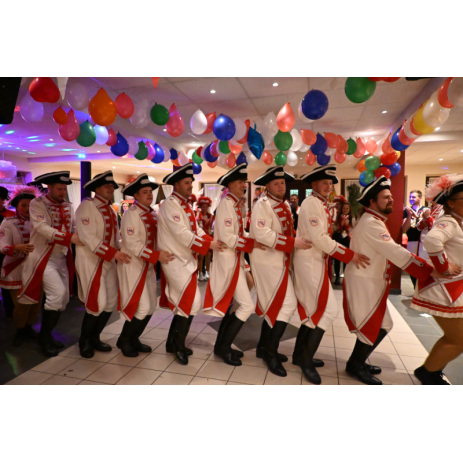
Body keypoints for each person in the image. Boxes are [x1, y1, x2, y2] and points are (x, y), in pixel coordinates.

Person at [343, 176, 440, 385]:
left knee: (379, 325)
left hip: (370, 280)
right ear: (372, 201)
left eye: (391, 196)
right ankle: (355, 364)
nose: (391, 200)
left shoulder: (374, 220)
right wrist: (429, 270)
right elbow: (395, 252)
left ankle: (355, 362)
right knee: (375, 325)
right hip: (364, 281)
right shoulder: (371, 223)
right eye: (385, 197)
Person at [293, 165, 370, 384]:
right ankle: (305, 360)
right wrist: (348, 255)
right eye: (324, 183)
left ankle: (300, 355)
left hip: (315, 261)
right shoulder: (311, 204)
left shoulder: (320, 204)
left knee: (313, 309)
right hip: (308, 262)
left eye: (330, 183)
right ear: (314, 184)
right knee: (327, 311)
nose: (328, 187)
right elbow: (319, 238)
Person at [158, 165, 226, 365]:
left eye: (191, 183)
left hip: (186, 260)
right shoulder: (170, 204)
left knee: (185, 303)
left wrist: (210, 240)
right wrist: (208, 245)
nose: (190, 186)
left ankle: (172, 344)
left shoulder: (186, 205)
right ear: (176, 184)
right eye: (186, 183)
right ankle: (177, 346)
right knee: (191, 302)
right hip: (174, 260)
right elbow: (182, 234)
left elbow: (196, 230)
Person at [249, 166, 312, 377]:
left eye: (282, 183)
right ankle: (270, 352)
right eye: (275, 184)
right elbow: (260, 233)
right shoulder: (262, 205)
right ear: (267, 186)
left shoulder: (284, 204)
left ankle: (263, 347)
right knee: (286, 305)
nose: (280, 187)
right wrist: (292, 242)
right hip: (266, 262)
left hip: (281, 261)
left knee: (274, 305)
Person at [203, 163, 262, 366]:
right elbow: (228, 237)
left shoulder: (236, 205)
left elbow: (238, 233)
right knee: (245, 306)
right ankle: (223, 347)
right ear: (230, 185)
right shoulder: (226, 205)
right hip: (228, 262)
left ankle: (222, 346)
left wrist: (252, 238)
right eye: (239, 182)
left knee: (237, 306)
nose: (243, 185)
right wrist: (251, 244)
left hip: (236, 261)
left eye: (244, 182)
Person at [19, 171, 82, 357]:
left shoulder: (68, 206)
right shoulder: (37, 204)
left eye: (64, 189)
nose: (63, 192)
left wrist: (82, 235)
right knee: (57, 294)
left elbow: (74, 226)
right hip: (42, 256)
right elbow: (42, 228)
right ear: (50, 188)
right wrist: (69, 238)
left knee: (63, 299)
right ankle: (44, 338)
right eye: (59, 189)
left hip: (62, 256)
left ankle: (46, 335)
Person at [410, 174, 463, 385]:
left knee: (455, 338)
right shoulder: (449, 222)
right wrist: (444, 267)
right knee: (458, 339)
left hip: (452, 288)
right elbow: (432, 240)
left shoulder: (457, 222)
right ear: (451, 203)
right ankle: (428, 372)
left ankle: (431, 370)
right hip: (443, 290)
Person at [116, 174, 174, 357]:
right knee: (140, 307)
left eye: (150, 191)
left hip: (148, 265)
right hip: (133, 266)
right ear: (136, 195)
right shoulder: (131, 214)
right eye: (145, 192)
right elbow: (132, 243)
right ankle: (124, 340)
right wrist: (156, 256)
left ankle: (133, 338)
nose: (149, 195)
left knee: (150, 307)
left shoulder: (152, 213)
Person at [75, 171, 131, 358]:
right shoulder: (87, 206)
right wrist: (113, 253)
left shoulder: (111, 210)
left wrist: (121, 249)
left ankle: (95, 337)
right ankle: (84, 341)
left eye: (112, 186)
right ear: (96, 189)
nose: (110, 189)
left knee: (110, 303)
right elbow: (88, 237)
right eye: (106, 186)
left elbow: (115, 237)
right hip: (91, 261)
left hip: (108, 261)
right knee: (96, 303)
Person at [0, 185, 41, 346]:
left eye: (30, 205)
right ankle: (20, 331)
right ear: (17, 206)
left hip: (36, 267)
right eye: (23, 205)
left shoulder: (40, 222)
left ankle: (28, 328)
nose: (27, 208)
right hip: (15, 267)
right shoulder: (8, 223)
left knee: (35, 304)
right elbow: (2, 246)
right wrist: (16, 248)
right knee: (21, 304)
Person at [402, 189, 426, 288]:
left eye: (414, 197)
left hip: (424, 242)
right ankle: (415, 288)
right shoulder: (406, 211)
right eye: (410, 197)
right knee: (412, 266)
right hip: (411, 242)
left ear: (420, 198)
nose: (411, 199)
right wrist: (409, 215)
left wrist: (420, 218)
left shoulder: (426, 210)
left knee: (424, 266)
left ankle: (422, 288)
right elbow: (404, 228)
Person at [0, 186, 15, 319]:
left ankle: (10, 310)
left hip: (7, 252)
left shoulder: (11, 215)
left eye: (1, 198)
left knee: (7, 282)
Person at [332, 201, 355, 285]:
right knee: (337, 258)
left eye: (347, 208)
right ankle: (337, 277)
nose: (345, 210)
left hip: (347, 240)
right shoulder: (338, 217)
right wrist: (340, 224)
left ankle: (345, 277)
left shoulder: (352, 219)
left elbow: (354, 231)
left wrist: (348, 225)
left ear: (350, 210)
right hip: (338, 238)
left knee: (346, 258)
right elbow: (334, 228)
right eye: (344, 208)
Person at [196, 196, 214, 281]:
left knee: (208, 256)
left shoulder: (211, 216)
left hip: (209, 236)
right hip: (201, 237)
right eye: (203, 206)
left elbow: (213, 227)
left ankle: (207, 272)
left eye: (206, 207)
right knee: (201, 257)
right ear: (200, 206)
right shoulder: (198, 215)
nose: (204, 208)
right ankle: (200, 273)